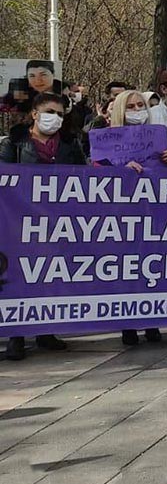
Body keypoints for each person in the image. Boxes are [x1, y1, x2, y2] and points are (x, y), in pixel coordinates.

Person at [97, 89, 167, 346]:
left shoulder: (159, 137)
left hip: (153, 214)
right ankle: (127, 324)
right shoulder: (105, 141)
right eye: (130, 106)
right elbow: (95, 174)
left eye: (140, 105)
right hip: (121, 216)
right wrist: (121, 171)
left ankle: (151, 320)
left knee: (151, 265)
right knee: (126, 268)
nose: (136, 110)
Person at [0, 92, 76, 360]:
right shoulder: (15, 143)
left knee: (49, 275)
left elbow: (86, 177)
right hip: (20, 223)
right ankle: (16, 335)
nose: (55, 118)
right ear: (35, 113)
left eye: (60, 114)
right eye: (50, 112)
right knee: (21, 276)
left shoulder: (69, 144)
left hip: (58, 222)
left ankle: (45, 331)